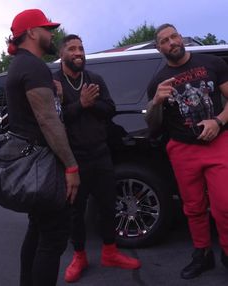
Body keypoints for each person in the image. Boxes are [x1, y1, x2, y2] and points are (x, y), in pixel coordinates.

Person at [53, 34, 141, 283]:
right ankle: (79, 256)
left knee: (108, 206)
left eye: (81, 48)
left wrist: (90, 104)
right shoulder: (55, 83)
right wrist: (80, 103)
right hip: (73, 159)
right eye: (72, 48)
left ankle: (110, 252)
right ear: (62, 54)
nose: (78, 52)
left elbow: (110, 109)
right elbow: (54, 121)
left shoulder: (94, 79)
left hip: (100, 153)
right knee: (75, 212)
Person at [146, 23, 228, 279]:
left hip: (218, 143)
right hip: (182, 149)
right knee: (193, 207)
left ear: (180, 37)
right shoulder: (157, 81)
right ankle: (202, 254)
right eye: (164, 40)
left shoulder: (212, 63)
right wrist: (156, 102)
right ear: (159, 48)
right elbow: (153, 123)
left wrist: (219, 121)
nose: (171, 42)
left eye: (174, 36)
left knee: (224, 204)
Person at [6, 9, 80, 286]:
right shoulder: (33, 67)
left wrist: (56, 95)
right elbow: (48, 122)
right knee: (52, 239)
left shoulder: (20, 65)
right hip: (44, 167)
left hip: (33, 166)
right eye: (47, 29)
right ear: (33, 33)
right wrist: (71, 166)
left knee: (37, 231)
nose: (52, 34)